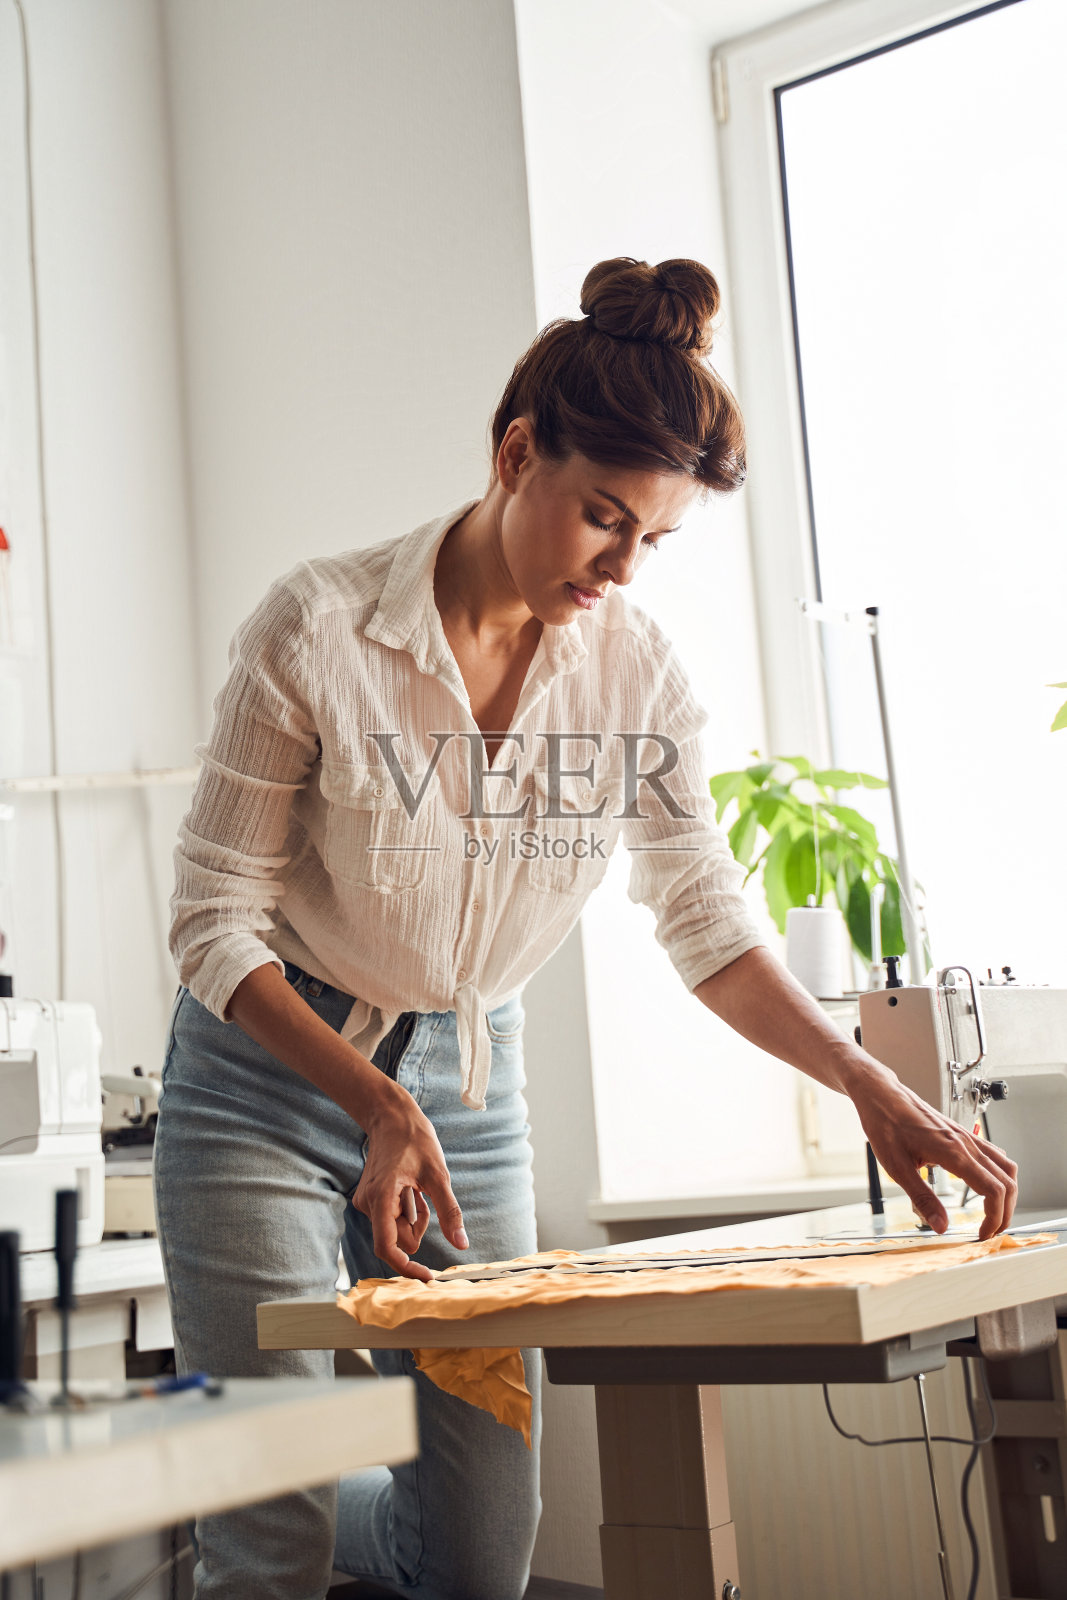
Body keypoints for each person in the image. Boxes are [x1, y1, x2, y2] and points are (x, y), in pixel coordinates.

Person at [154, 256, 1017, 1600]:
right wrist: (374, 1099)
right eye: (602, 519)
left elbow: (704, 917)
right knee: (270, 1532)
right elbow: (211, 922)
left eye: (653, 542)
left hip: (467, 1092)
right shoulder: (315, 629)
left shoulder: (635, 674)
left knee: (482, 1550)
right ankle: (266, 1525)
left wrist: (868, 1081)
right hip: (265, 1080)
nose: (620, 569)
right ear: (517, 456)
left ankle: (306, 1521)